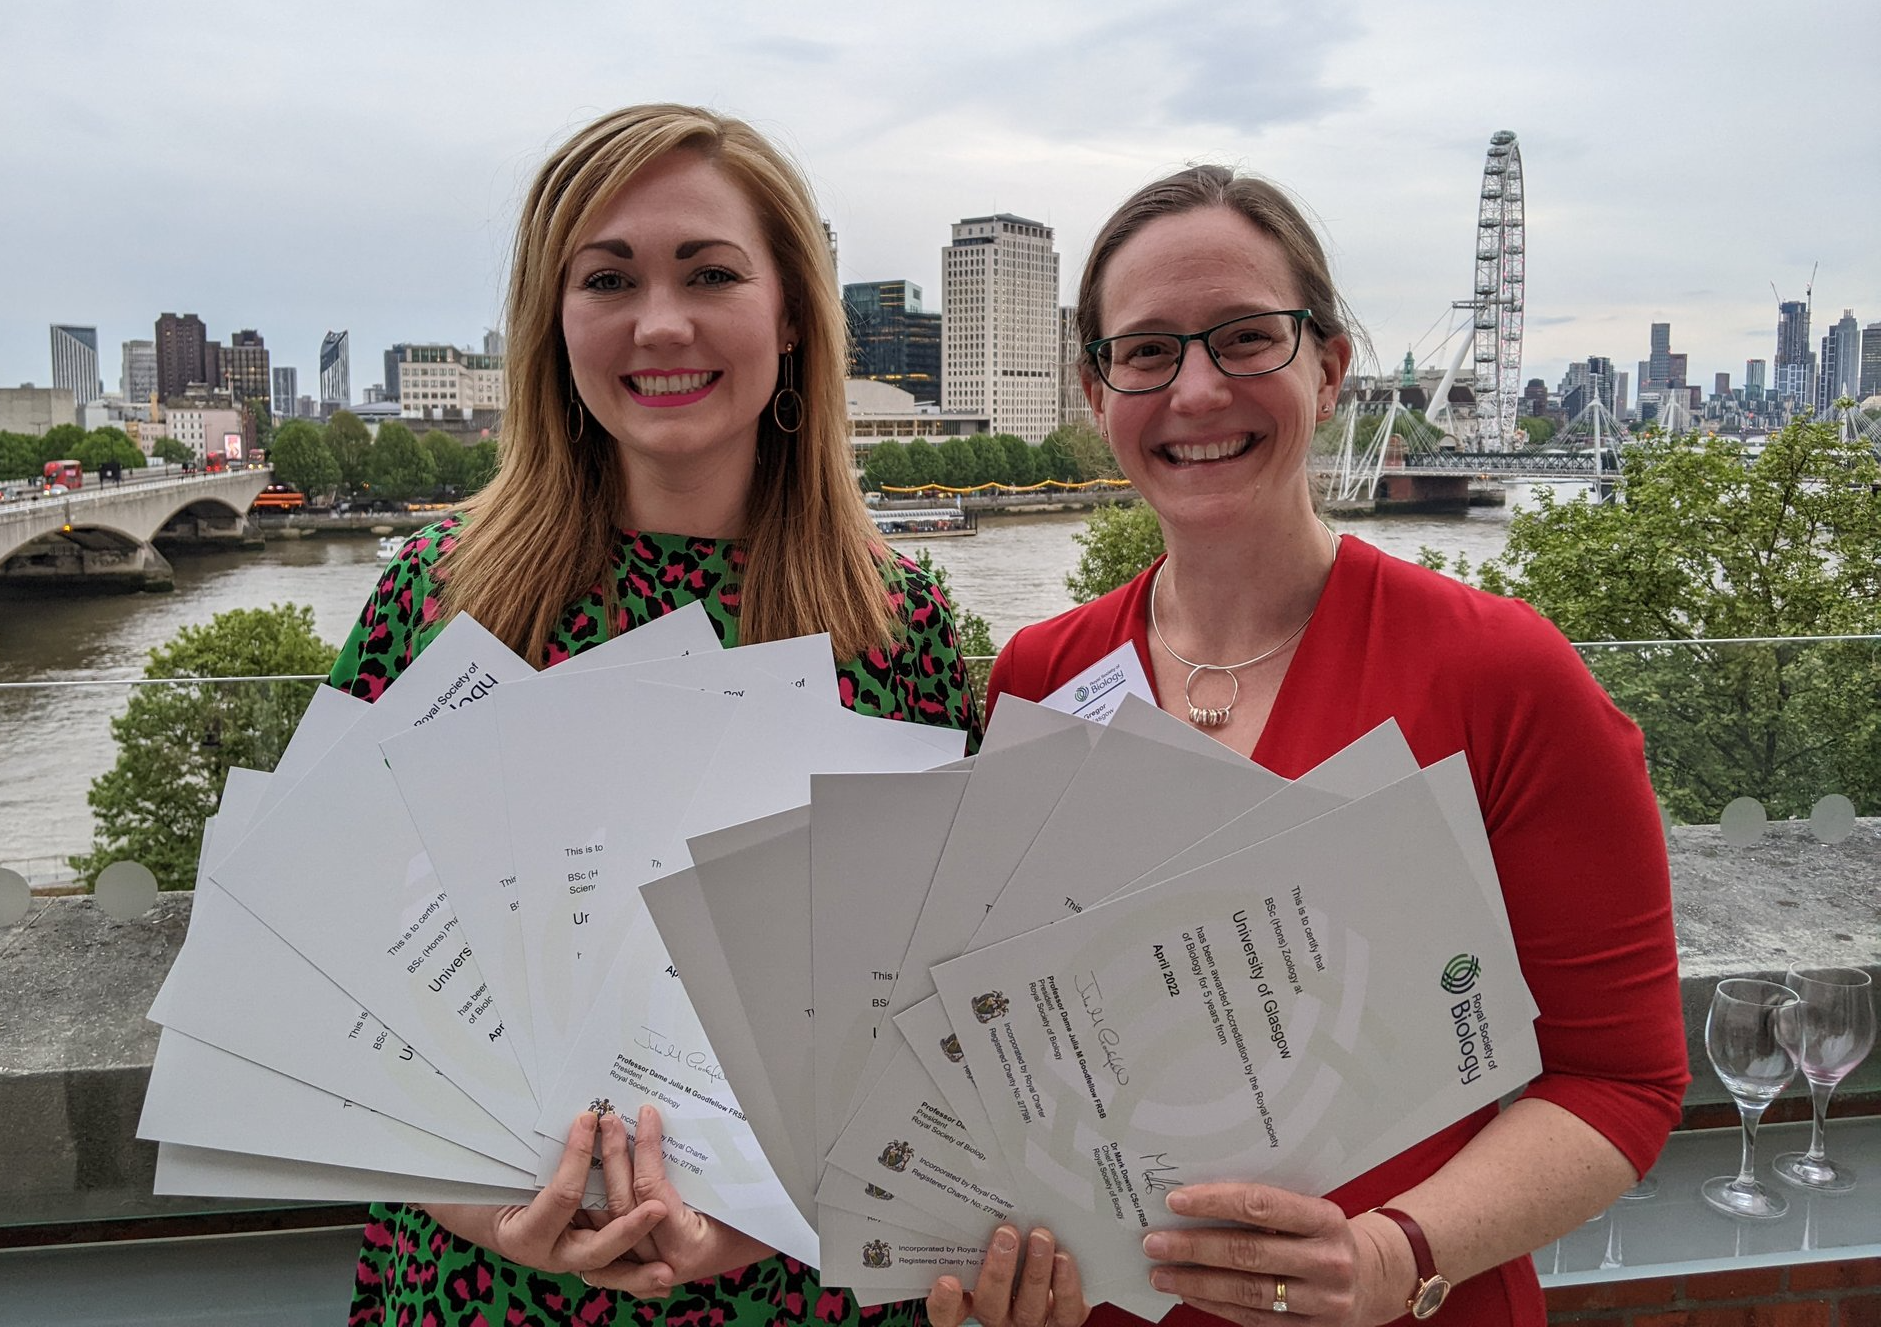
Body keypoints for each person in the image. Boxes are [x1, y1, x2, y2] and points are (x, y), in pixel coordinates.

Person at [982, 166, 1689, 1326]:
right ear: (1096, 392)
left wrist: (1392, 1254)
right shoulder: (1038, 677)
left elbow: (1620, 1080)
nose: (1197, 390)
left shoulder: (1502, 676)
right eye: (1147, 352)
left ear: (1331, 362)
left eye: (1246, 338)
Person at [325, 103, 994, 1327]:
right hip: (489, 1284)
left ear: (791, 314)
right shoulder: (436, 598)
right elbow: (320, 955)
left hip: (790, 1284)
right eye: (609, 279)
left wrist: (749, 1224)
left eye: (711, 273)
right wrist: (486, 1207)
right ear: (554, 321)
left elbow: (946, 1006)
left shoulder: (898, 622)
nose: (662, 322)